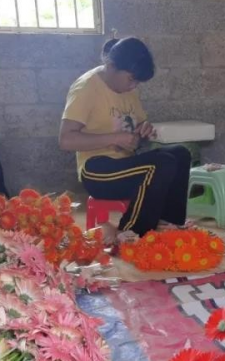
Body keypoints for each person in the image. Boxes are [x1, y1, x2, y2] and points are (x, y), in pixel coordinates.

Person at [59, 37, 191, 242]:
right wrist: (114, 138)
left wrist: (143, 130)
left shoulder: (129, 90)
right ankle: (130, 235)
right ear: (111, 67)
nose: (134, 86)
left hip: (125, 165)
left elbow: (136, 128)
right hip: (96, 170)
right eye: (131, 79)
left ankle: (168, 225)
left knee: (180, 154)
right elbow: (66, 140)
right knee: (160, 164)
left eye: (137, 82)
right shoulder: (86, 88)